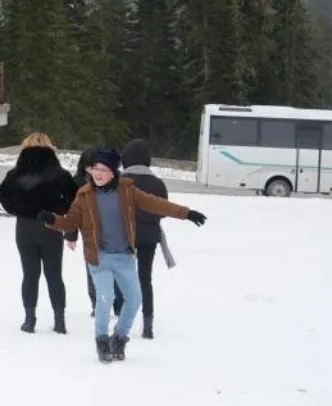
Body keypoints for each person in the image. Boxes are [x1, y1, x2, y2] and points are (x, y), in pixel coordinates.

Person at [39, 148, 207, 363]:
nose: (97, 174)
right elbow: (71, 221)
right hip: (99, 257)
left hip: (125, 257)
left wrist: (186, 213)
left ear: (113, 171)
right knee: (105, 298)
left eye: (102, 169)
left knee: (135, 299)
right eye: (94, 169)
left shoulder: (127, 191)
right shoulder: (84, 195)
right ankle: (102, 341)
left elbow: (156, 203)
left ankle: (119, 338)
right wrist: (52, 219)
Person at [0, 132, 78, 334]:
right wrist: (60, 211)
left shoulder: (15, 174)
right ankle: (59, 321)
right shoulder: (60, 174)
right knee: (54, 274)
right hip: (51, 226)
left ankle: (30, 319)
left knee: (30, 274)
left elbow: (2, 196)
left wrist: (18, 209)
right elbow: (74, 198)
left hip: (25, 227)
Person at [120, 138, 178, 340]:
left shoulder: (119, 182)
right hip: (149, 236)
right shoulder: (157, 183)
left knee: (121, 276)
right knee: (145, 278)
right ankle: (148, 324)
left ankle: (121, 317)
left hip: (122, 235)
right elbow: (162, 210)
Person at [76, 148, 122, 317]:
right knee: (93, 268)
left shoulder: (114, 181)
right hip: (89, 232)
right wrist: (71, 232)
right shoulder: (78, 183)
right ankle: (97, 303)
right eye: (91, 168)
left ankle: (117, 303)